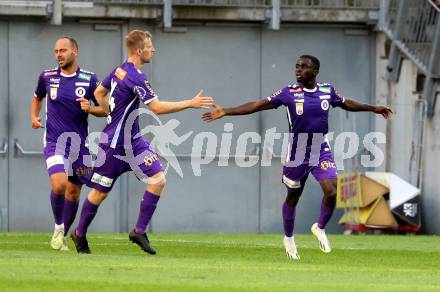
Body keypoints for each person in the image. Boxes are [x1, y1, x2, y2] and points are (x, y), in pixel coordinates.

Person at [202, 55, 392, 260]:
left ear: (315, 71)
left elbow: (347, 103)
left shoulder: (327, 90)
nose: (298, 70)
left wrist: (374, 108)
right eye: (297, 66)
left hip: (321, 147)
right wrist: (227, 111)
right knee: (293, 196)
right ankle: (289, 239)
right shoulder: (288, 93)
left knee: (332, 190)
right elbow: (257, 105)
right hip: (297, 152)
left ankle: (319, 228)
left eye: (304, 67)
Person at [70, 30, 213, 254]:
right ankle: (78, 234)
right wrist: (191, 103)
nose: (153, 49)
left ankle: (138, 231)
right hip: (114, 146)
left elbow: (99, 91)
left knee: (158, 179)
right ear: (139, 50)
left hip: (135, 142)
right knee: (100, 193)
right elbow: (156, 108)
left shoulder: (120, 69)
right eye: (149, 45)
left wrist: (109, 111)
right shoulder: (136, 77)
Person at [30, 36, 107, 251]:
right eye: (56, 51)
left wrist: (90, 108)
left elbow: (106, 109)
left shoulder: (90, 79)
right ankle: (58, 227)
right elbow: (37, 97)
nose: (59, 55)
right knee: (59, 184)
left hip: (80, 147)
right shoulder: (47, 77)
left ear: (75, 51)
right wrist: (34, 117)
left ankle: (63, 233)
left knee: (73, 192)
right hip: (55, 141)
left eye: (63, 50)